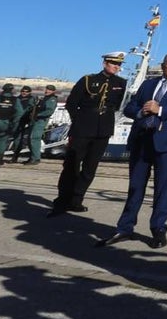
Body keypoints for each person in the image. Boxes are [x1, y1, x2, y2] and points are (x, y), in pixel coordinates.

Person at [98, 51, 167, 249]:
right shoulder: (148, 84)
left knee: (162, 188)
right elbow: (129, 107)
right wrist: (141, 111)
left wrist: (159, 110)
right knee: (135, 186)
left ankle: (158, 229)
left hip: (166, 143)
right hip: (142, 140)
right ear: (163, 65)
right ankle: (125, 227)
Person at [50, 52, 128, 215]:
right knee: (71, 165)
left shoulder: (121, 83)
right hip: (83, 127)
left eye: (119, 64)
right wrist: (79, 120)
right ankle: (62, 200)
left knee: (90, 167)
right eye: (113, 63)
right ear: (105, 63)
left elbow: (118, 105)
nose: (116, 66)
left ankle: (77, 199)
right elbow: (72, 103)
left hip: (103, 129)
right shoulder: (88, 80)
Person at [22, 85, 59, 165]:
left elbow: (49, 111)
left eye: (49, 90)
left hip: (41, 120)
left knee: (34, 138)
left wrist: (38, 115)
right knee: (30, 138)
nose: (47, 91)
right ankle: (33, 157)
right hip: (36, 120)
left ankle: (35, 158)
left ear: (53, 91)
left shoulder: (51, 99)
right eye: (47, 89)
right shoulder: (45, 98)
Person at [8, 86, 37, 163]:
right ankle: (14, 156)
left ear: (29, 92)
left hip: (26, 120)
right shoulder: (17, 99)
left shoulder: (31, 99)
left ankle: (27, 157)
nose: (24, 93)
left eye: (26, 91)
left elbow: (30, 109)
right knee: (15, 138)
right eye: (23, 91)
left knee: (25, 139)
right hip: (16, 120)